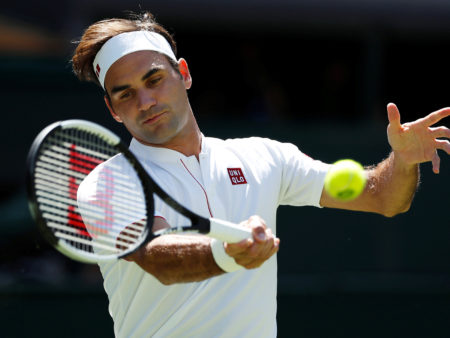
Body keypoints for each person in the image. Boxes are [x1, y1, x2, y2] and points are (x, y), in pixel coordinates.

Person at [71, 11, 450, 337]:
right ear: (113, 110)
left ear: (183, 73)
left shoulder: (263, 156)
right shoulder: (107, 184)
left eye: (154, 80)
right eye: (126, 94)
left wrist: (402, 162)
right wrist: (227, 254)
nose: (146, 101)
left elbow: (382, 197)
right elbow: (155, 257)